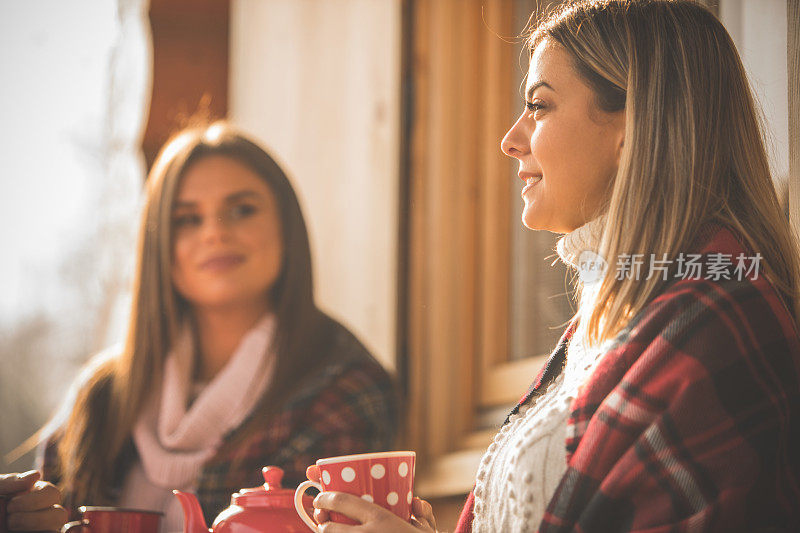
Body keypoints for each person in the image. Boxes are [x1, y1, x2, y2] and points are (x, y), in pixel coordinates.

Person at [311, 1, 800, 531]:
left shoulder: (715, 313)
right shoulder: (620, 313)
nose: (510, 139)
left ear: (631, 127)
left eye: (539, 106)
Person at [10, 122, 398, 532]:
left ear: (288, 228)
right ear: (159, 246)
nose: (214, 232)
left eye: (241, 209)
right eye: (187, 219)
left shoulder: (347, 388)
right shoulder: (99, 397)